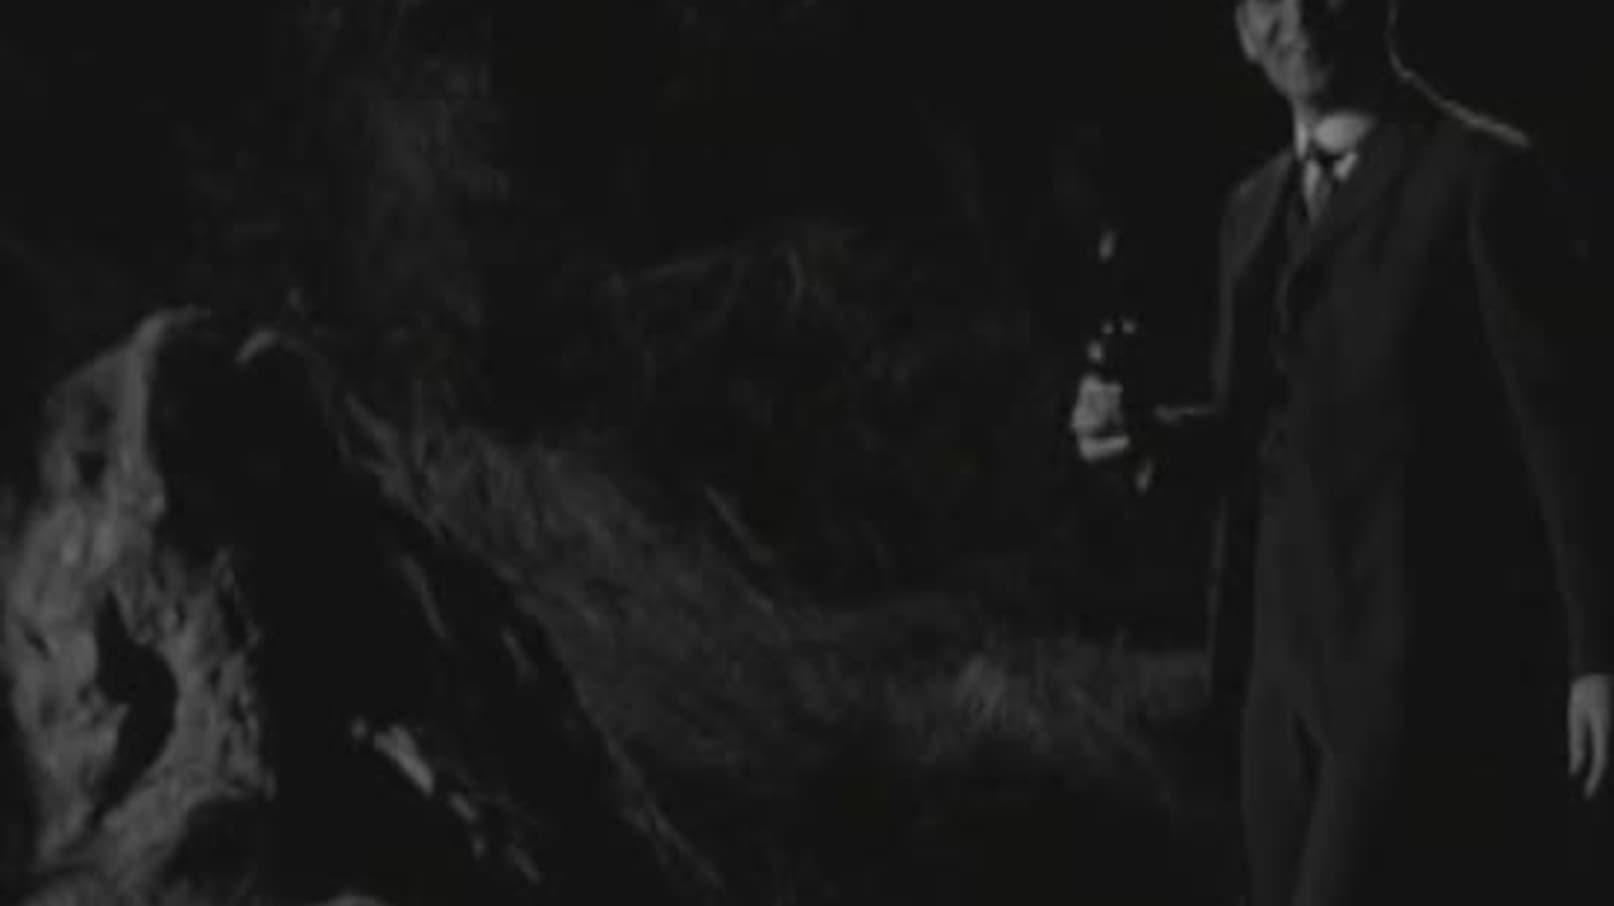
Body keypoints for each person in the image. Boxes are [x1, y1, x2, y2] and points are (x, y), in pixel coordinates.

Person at [1072, 1, 1614, 902]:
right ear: (1242, 33)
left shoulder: (1484, 177)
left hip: (1421, 675)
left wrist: (1598, 657)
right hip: (1276, 685)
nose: (1296, 13)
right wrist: (1145, 440)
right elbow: (1260, 439)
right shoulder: (1250, 209)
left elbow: (1569, 434)